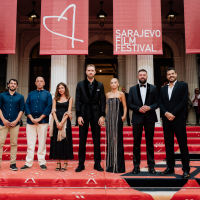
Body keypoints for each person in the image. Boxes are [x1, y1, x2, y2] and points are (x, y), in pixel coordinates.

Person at [159, 67, 190, 179]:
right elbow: (160, 103)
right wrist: (166, 113)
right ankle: (170, 167)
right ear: (166, 76)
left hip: (178, 119)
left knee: (182, 144)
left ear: (176, 74)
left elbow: (184, 101)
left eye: (172, 73)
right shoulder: (163, 89)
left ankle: (186, 169)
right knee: (169, 145)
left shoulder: (183, 85)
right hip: (167, 120)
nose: (171, 75)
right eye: (169, 74)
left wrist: (173, 113)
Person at [75, 64, 106, 172]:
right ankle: (81, 163)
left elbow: (103, 101)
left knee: (96, 140)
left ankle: (97, 163)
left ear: (95, 72)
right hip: (83, 111)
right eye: (89, 70)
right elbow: (77, 100)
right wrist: (78, 116)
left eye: (92, 70)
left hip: (96, 113)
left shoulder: (100, 85)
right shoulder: (80, 84)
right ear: (86, 72)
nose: (90, 72)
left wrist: (102, 116)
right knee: (82, 140)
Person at [127, 69, 159, 174]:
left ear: (147, 76)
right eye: (140, 75)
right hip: (137, 118)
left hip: (150, 117)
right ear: (137, 77)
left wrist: (150, 107)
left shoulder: (154, 88)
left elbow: (158, 102)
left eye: (144, 75)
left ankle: (151, 166)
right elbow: (129, 103)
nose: (142, 76)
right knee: (136, 143)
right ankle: (136, 166)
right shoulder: (132, 89)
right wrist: (138, 109)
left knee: (150, 143)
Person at [20, 77, 52, 171]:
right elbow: (26, 106)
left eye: (41, 81)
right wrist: (31, 118)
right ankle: (28, 162)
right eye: (38, 81)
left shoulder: (47, 94)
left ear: (44, 83)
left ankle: (42, 162)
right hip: (30, 122)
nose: (39, 82)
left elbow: (49, 107)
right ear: (35, 83)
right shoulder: (31, 94)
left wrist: (39, 118)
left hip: (43, 122)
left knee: (42, 143)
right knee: (30, 143)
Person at [0, 79, 24, 171]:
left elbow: (21, 110)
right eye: (11, 83)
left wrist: (16, 121)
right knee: (0, 144)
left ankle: (13, 164)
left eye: (15, 84)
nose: (13, 85)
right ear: (8, 85)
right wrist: (3, 120)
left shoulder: (20, 97)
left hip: (15, 124)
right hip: (2, 123)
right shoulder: (1, 96)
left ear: (17, 86)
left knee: (14, 144)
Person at [49, 82, 74, 172]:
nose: (60, 89)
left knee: (65, 142)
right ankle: (58, 162)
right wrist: (56, 122)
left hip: (65, 122)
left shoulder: (70, 98)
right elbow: (53, 111)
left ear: (65, 88)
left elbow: (69, 112)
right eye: (59, 88)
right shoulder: (55, 98)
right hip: (56, 121)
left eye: (62, 88)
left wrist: (62, 123)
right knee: (57, 142)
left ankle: (65, 162)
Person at [106, 78, 126, 173]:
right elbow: (106, 107)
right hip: (109, 119)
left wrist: (124, 116)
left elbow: (125, 106)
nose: (113, 84)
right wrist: (106, 117)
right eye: (111, 83)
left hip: (118, 118)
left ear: (118, 84)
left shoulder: (121, 94)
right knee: (110, 141)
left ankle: (119, 166)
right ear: (110, 85)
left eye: (115, 82)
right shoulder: (107, 95)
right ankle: (110, 165)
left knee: (118, 140)